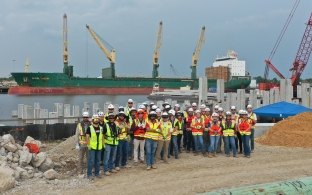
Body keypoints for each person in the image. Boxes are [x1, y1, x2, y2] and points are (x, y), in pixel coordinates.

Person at [86, 115, 104, 180]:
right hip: (92, 147)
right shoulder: (90, 128)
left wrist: (103, 145)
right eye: (95, 119)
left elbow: (102, 137)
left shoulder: (101, 128)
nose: (96, 120)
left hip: (99, 147)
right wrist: (88, 145)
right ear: (93, 120)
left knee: (98, 161)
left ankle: (97, 173)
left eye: (97, 119)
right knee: (91, 161)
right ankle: (89, 174)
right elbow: (87, 137)